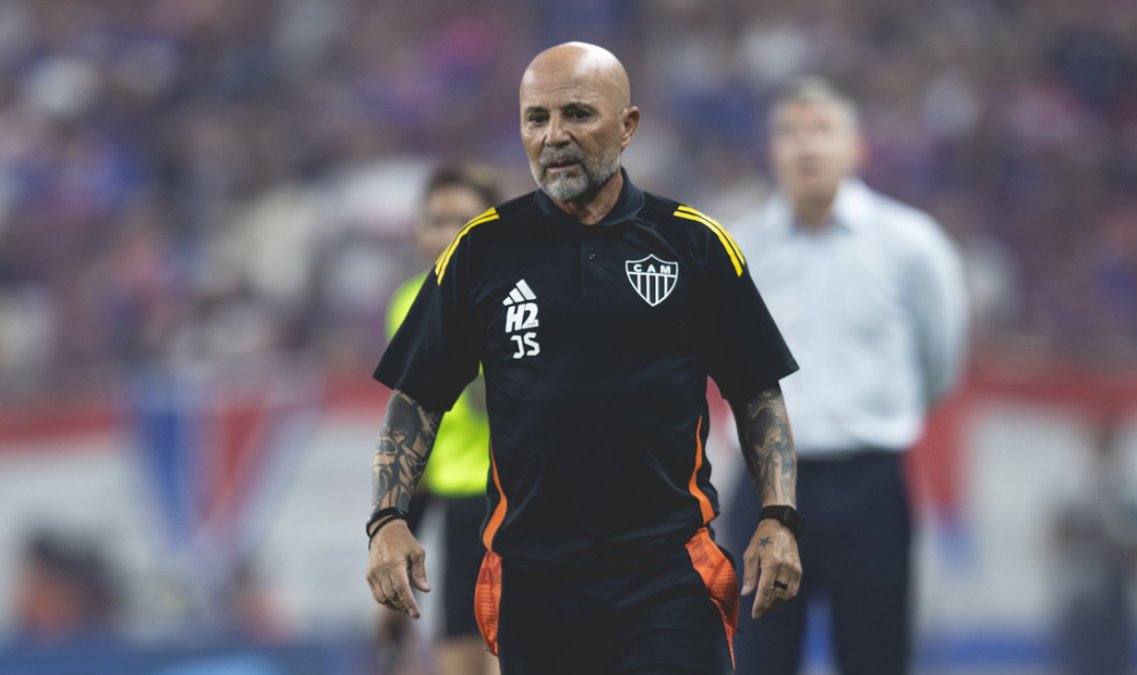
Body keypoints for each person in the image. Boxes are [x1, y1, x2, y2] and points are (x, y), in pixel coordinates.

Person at [365, 42, 804, 675]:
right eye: (536, 118)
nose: (554, 136)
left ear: (628, 126)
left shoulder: (694, 244)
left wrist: (779, 515)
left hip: (668, 573)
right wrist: (387, 519)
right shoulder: (480, 252)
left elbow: (758, 393)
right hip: (535, 583)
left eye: (577, 113)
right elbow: (415, 397)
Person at [721, 76, 968, 675]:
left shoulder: (911, 244)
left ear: (856, 147)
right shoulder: (734, 246)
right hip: (765, 486)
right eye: (790, 132)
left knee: (877, 657)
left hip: (870, 484)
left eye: (822, 131)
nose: (806, 146)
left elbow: (941, 362)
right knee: (755, 660)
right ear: (770, 149)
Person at [377, 165, 501, 675]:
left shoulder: (516, 297)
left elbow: (491, 403)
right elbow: (417, 438)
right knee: (457, 660)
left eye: (463, 220)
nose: (448, 234)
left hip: (518, 505)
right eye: (435, 220)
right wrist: (397, 537)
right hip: (457, 510)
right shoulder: (408, 304)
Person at [1050, 416, 1137, 675]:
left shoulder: (1132, 501)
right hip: (1081, 604)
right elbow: (1055, 543)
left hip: (1117, 604)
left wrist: (1115, 541)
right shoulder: (1074, 501)